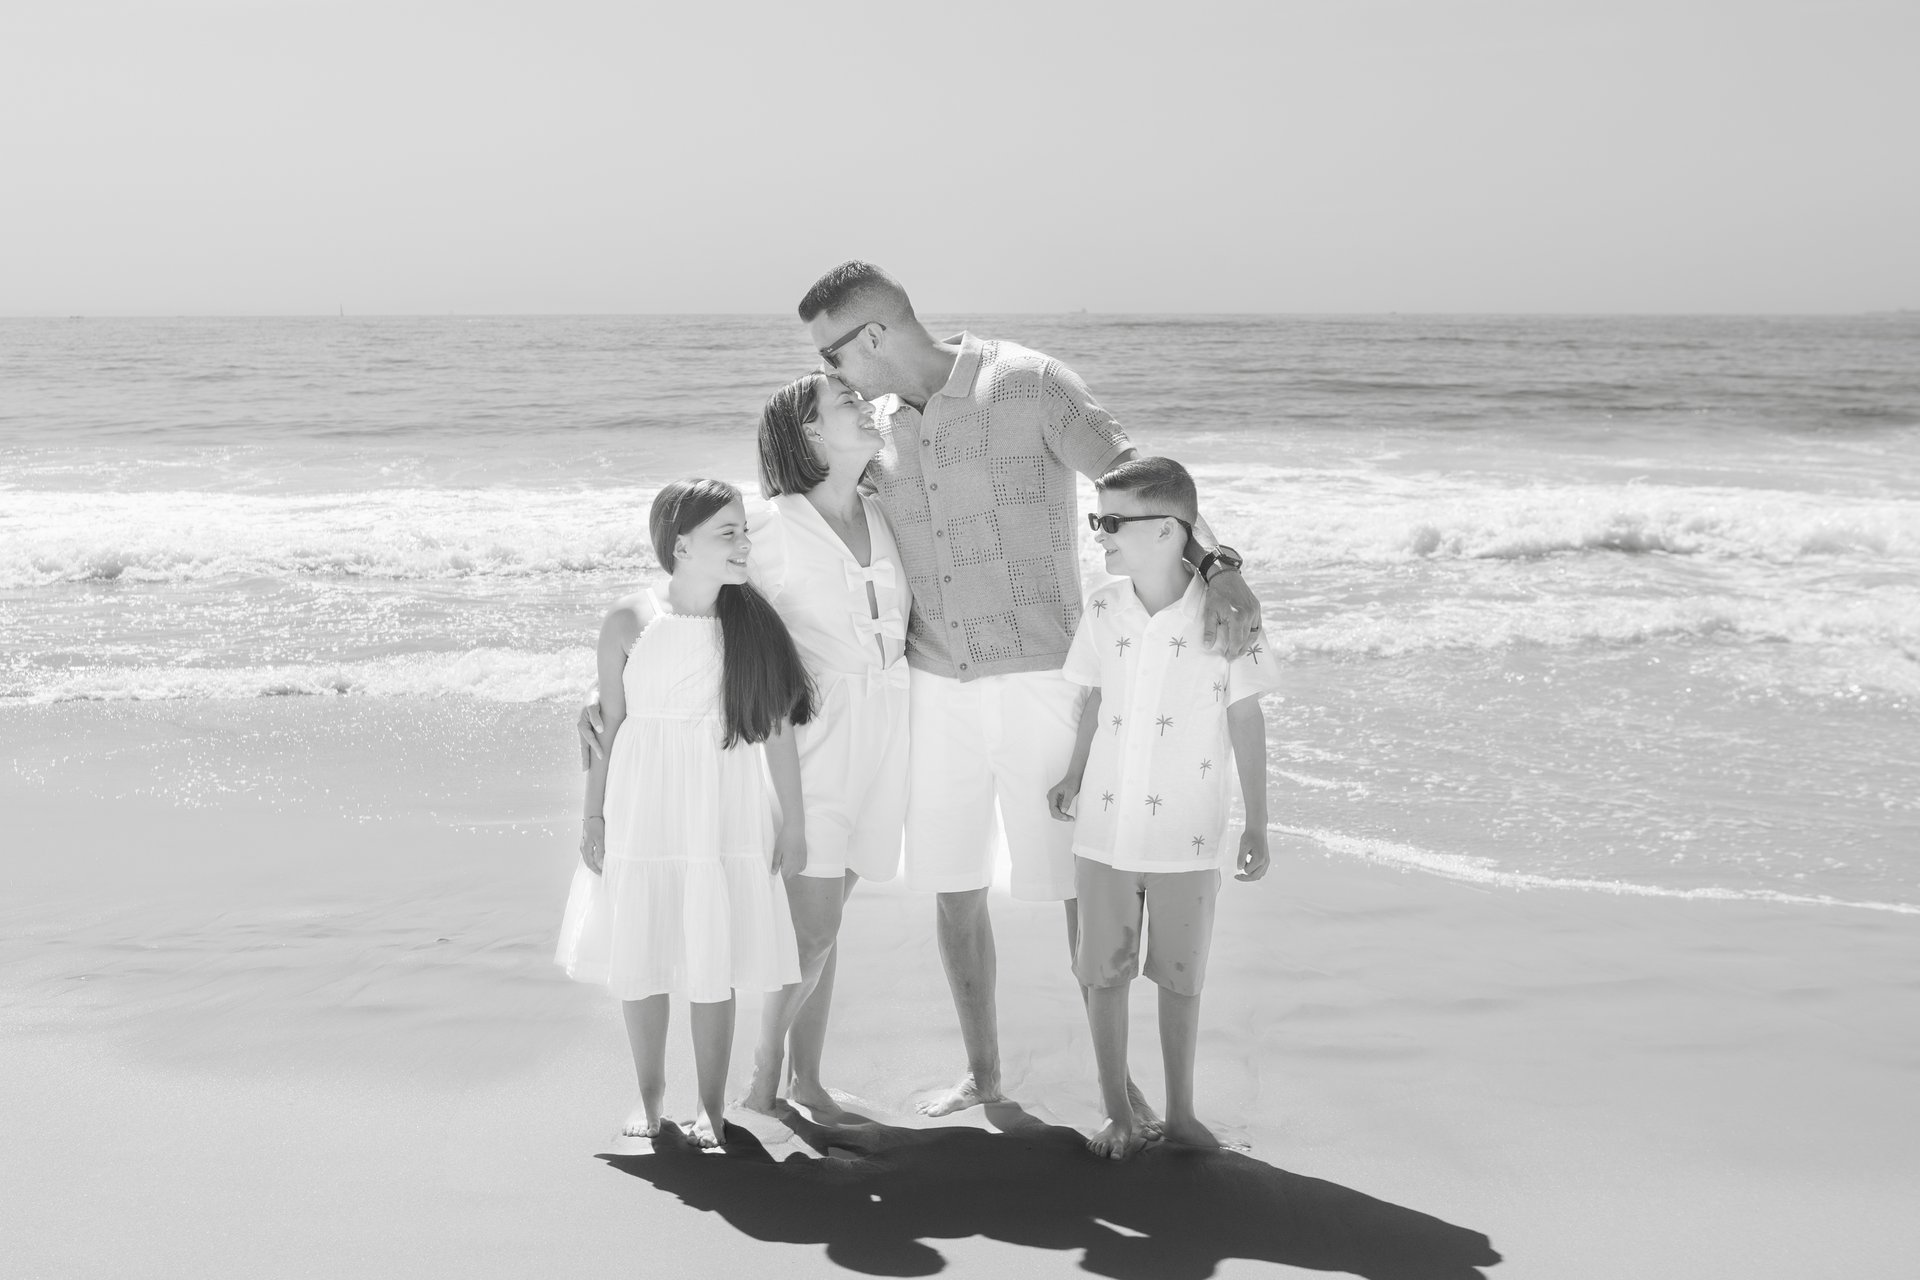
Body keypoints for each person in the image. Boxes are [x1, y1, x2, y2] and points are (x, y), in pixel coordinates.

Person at [796, 261, 1264, 1118]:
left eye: (833, 354)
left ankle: (1118, 1083)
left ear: (875, 335)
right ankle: (984, 1074)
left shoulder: (1029, 383)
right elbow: (807, 536)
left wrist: (1219, 567)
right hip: (933, 688)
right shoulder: (875, 433)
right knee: (954, 888)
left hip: (1049, 678)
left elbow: (1139, 476)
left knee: (1083, 890)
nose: (833, 375)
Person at [555, 479, 813, 1150]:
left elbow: (777, 732)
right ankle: (650, 1096)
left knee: (712, 953)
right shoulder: (629, 620)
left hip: (724, 801)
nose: (744, 543)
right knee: (641, 946)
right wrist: (592, 816)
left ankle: (711, 1108)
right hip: (644, 799)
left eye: (744, 531)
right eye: (728, 532)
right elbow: (609, 728)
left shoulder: (752, 623)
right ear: (681, 545)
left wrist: (794, 822)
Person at [1046, 457, 1279, 1159]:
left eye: (1114, 521)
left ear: (1170, 531)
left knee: (1181, 979)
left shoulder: (1228, 616)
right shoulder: (1102, 607)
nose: (1099, 534)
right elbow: (1094, 698)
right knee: (1102, 974)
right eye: (1097, 519)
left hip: (1188, 836)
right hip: (1103, 833)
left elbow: (1247, 720)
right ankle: (1117, 1112)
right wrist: (1073, 773)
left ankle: (1181, 1115)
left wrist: (1258, 822)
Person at [736, 372, 912, 1113]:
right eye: (846, 403)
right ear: (808, 431)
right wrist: (608, 683)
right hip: (814, 746)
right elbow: (688, 600)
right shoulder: (766, 525)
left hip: (889, 734)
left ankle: (806, 1081)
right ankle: (759, 1087)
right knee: (809, 932)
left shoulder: (887, 510)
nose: (866, 409)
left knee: (826, 925)